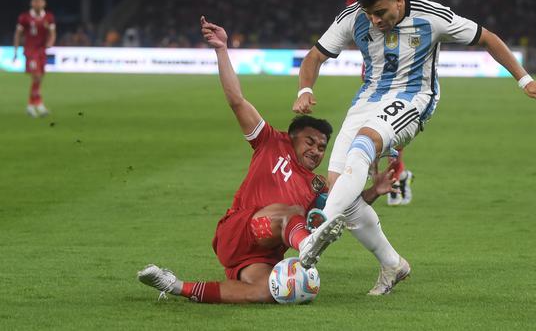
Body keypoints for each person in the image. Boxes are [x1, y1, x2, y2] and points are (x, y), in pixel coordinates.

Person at [293, 0, 536, 294]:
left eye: (381, 13)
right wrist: (304, 90)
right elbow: (315, 55)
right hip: (367, 99)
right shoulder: (352, 17)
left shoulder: (432, 16)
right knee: (341, 191)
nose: (375, 21)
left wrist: (525, 80)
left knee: (365, 143)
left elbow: (486, 37)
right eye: (369, 15)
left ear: (399, 0)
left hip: (413, 98)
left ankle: (315, 234)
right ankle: (392, 264)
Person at [137, 16, 398, 304]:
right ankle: (308, 243)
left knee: (268, 293)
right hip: (240, 229)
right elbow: (237, 100)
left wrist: (374, 190)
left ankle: (175, 285)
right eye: (310, 142)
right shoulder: (271, 142)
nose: (316, 151)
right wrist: (222, 49)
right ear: (291, 137)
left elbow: (345, 207)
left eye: (322, 147)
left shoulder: (317, 184)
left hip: (261, 255)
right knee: (290, 211)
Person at [346, 0, 419, 206]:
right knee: (372, 130)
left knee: (391, 134)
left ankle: (396, 175)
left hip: (405, 77)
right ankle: (385, 180)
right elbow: (354, 26)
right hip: (374, 73)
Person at [13, 0, 56, 117]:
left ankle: (31, 106)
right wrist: (15, 51)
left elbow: (52, 33)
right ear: (32, 4)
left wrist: (50, 42)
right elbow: (18, 34)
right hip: (30, 51)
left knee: (40, 78)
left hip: (42, 51)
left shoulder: (48, 17)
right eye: (35, 2)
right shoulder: (25, 17)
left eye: (40, 2)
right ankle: (39, 104)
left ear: (44, 4)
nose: (38, 4)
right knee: (36, 76)